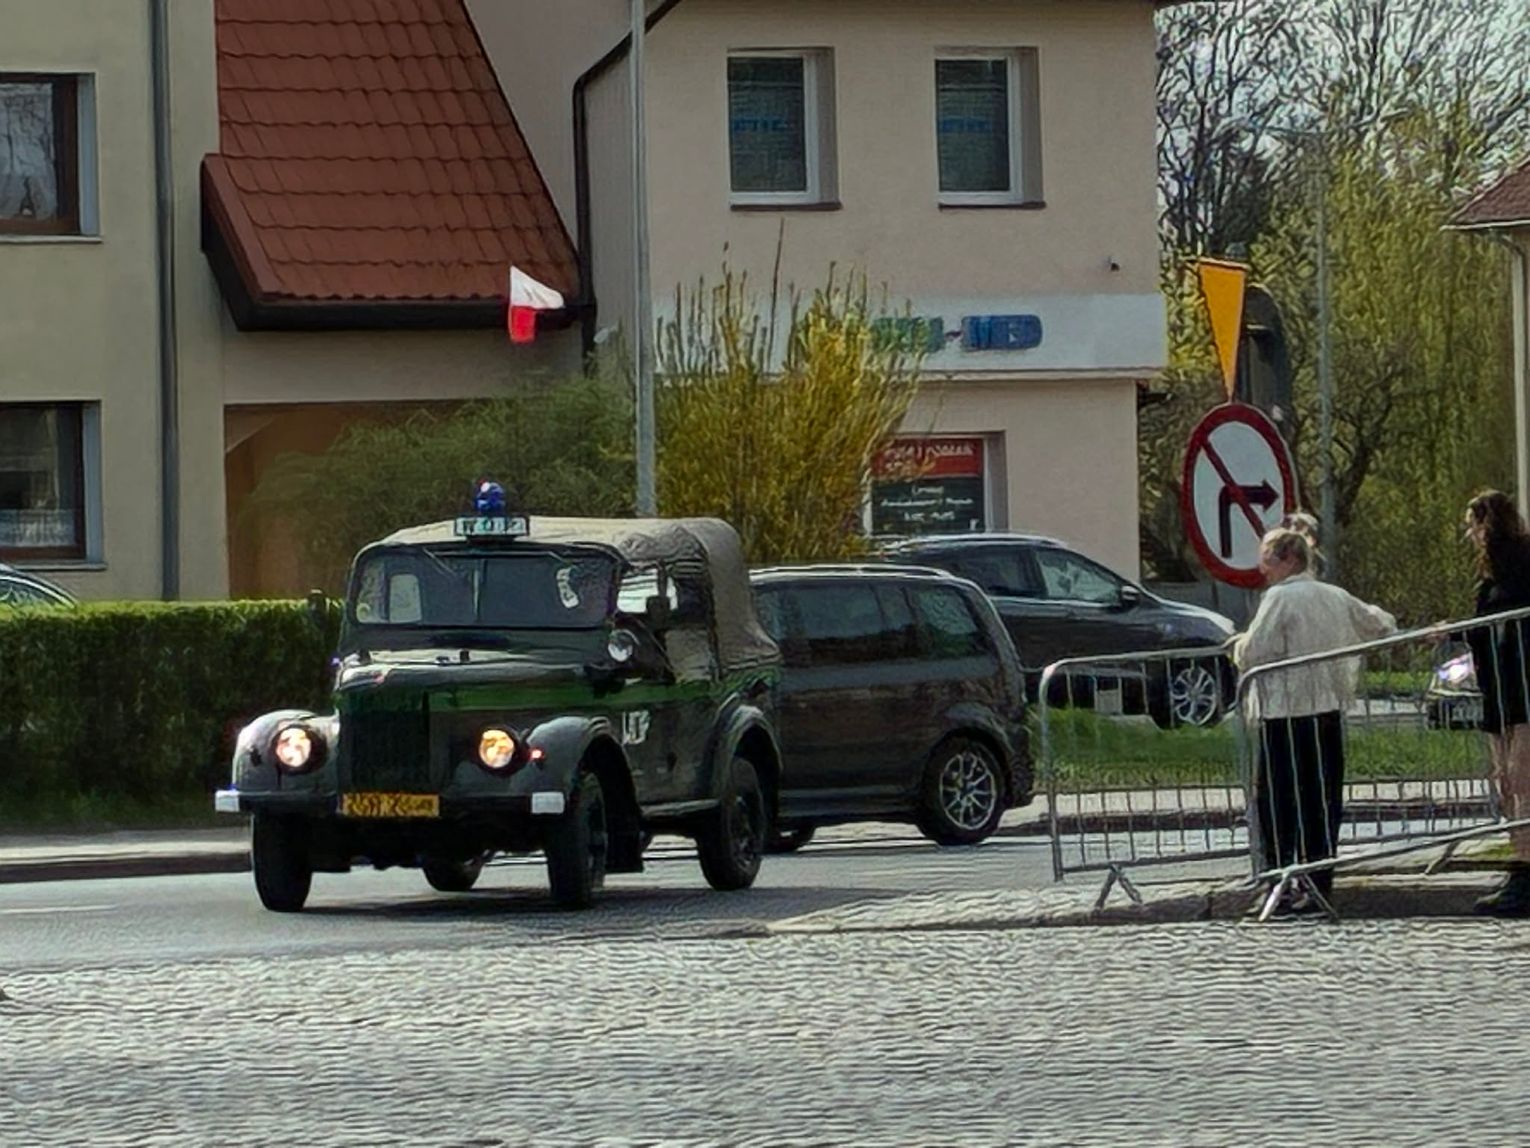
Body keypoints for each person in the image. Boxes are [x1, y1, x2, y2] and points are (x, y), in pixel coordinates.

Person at [1234, 527, 1396, 913]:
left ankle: (1279, 882)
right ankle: (1319, 881)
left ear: (1289, 560)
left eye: (1268, 560)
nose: (1263, 569)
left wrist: (1236, 645)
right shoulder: (1334, 595)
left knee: (1277, 801)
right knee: (1321, 801)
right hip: (1328, 710)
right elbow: (1378, 623)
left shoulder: (1280, 597)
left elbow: (1255, 650)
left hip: (1285, 713)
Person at [1455, 490, 1530, 916]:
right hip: (1498, 690)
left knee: (1523, 782)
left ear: (1490, 524)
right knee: (1505, 783)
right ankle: (1518, 864)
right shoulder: (1489, 577)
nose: (1470, 534)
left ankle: (1526, 873)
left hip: (1524, 687)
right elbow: (1481, 627)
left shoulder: (1522, 564)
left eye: (1474, 525)